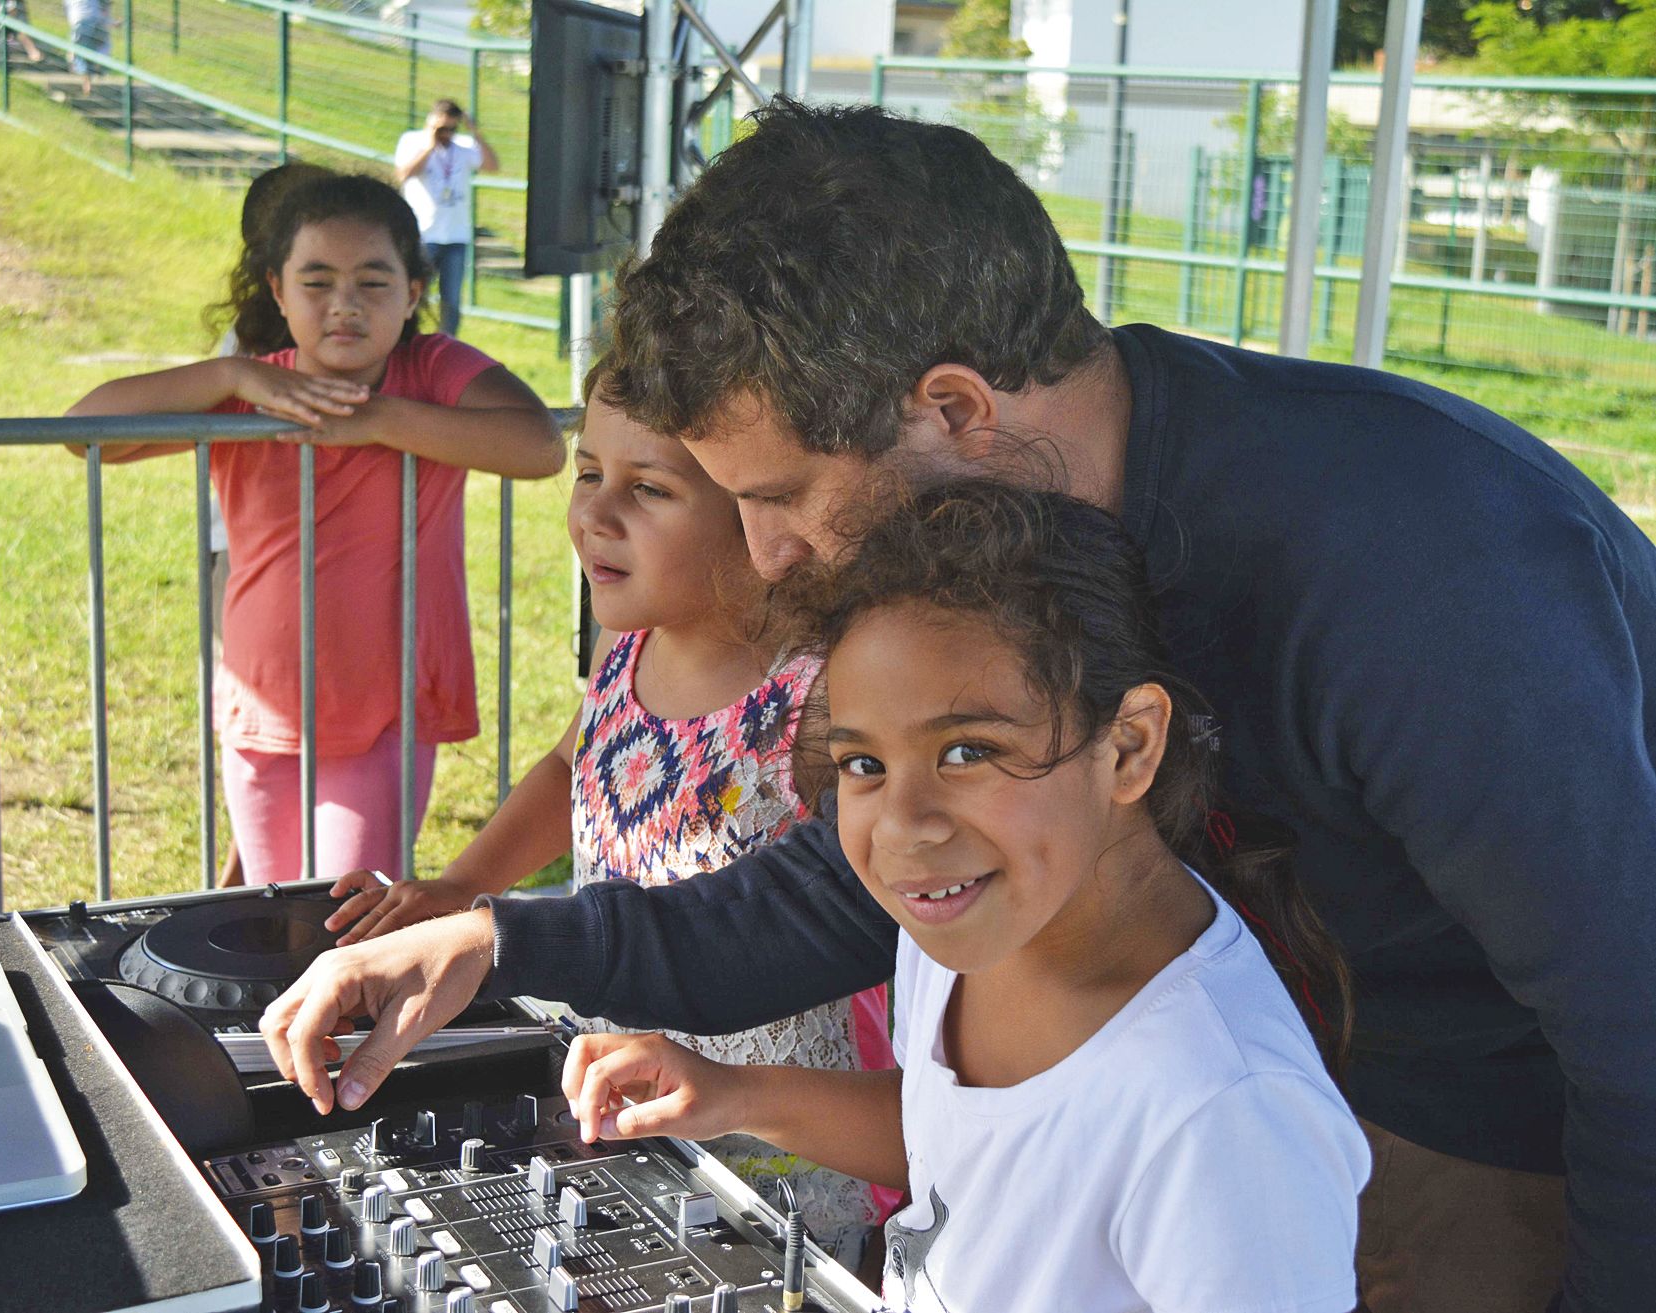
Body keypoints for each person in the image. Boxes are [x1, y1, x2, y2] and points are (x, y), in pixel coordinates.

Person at [258, 102, 1656, 1311]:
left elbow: (1635, 1028)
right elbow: (829, 896)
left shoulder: (1419, 577)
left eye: (783, 497)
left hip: (1492, 1112)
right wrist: (492, 938)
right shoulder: (999, 564)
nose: (769, 559)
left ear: (955, 410)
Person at [565, 479, 1370, 1311]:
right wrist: (734, 1094)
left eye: (967, 752)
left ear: (1129, 747)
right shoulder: (960, 915)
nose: (905, 827)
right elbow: (957, 1142)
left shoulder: (1223, 1115)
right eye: (864, 765)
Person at [322, 377, 896, 1261]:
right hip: (622, 1115)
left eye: (649, 488)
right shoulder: (621, 644)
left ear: (755, 513)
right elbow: (570, 763)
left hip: (779, 1170)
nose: (595, 512)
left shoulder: (820, 694)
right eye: (588, 472)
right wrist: (464, 884)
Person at [66, 172, 561, 883]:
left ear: (414, 292)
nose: (344, 306)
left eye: (372, 282)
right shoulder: (255, 390)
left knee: (343, 921)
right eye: (317, 281)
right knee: (276, 919)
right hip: (262, 705)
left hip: (384, 710)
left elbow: (540, 445)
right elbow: (83, 433)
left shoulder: (430, 370)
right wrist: (232, 375)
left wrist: (380, 422)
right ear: (277, 290)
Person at [208, 161, 335, 887]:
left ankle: (242, 878)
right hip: (246, 555)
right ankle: (240, 876)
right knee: (262, 724)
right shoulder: (245, 347)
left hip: (324, 565)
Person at [393, 100, 496, 338]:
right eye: (442, 129)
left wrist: (475, 132)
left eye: (452, 128)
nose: (447, 134)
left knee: (451, 299)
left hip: (456, 235)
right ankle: (408, 338)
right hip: (424, 234)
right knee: (414, 293)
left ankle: (447, 343)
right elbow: (403, 174)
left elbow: (492, 165)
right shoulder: (412, 141)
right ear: (431, 123)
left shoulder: (463, 147)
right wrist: (430, 143)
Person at [66, 0, 112, 98]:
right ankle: (90, 80)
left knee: (82, 53)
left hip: (80, 22)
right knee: (87, 52)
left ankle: (87, 83)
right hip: (91, 21)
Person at [0, 0, 43, 64]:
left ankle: (32, 51)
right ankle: (32, 51)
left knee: (19, 27)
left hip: (13, 8)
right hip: (2, 9)